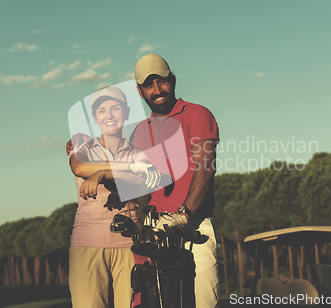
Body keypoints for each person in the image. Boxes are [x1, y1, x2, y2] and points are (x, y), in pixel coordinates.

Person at [130, 54, 220, 308]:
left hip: (195, 227)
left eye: (162, 82)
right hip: (157, 234)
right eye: (149, 85)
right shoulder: (139, 132)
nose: (157, 90)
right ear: (140, 91)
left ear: (173, 81)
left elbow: (206, 166)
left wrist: (184, 212)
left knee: (204, 302)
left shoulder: (197, 114)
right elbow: (130, 179)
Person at [68, 86, 160, 308]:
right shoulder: (83, 148)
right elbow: (79, 168)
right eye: (102, 110)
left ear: (126, 112)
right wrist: (129, 168)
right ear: (94, 117)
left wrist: (100, 173)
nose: (109, 115)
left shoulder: (139, 154)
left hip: (130, 246)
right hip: (87, 244)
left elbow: (144, 179)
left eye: (115, 108)